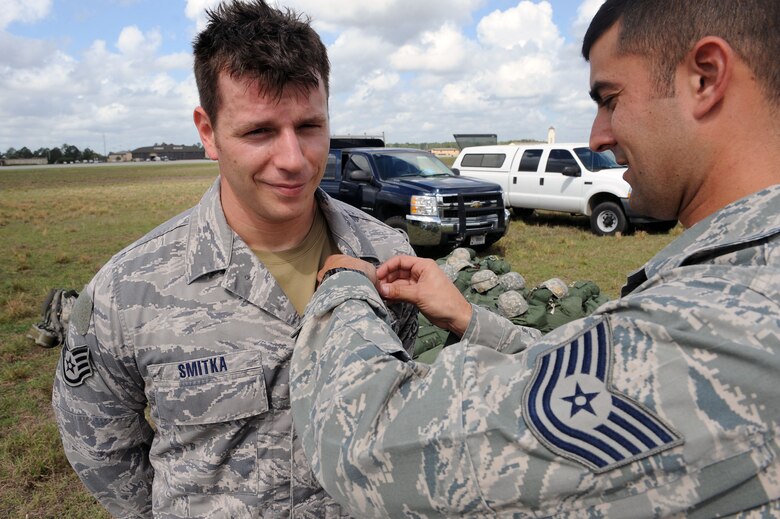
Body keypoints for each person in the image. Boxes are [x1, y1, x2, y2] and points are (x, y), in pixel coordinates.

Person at [289, 0, 780, 516]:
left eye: (610, 99)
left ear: (705, 77)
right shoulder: (742, 286)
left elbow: (367, 449)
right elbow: (588, 367)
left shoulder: (716, 317)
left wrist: (343, 285)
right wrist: (469, 319)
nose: (598, 136)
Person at [51, 1, 417, 517]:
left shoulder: (387, 257)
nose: (293, 159)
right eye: (259, 131)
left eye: (309, 126)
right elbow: (100, 446)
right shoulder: (128, 290)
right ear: (207, 131)